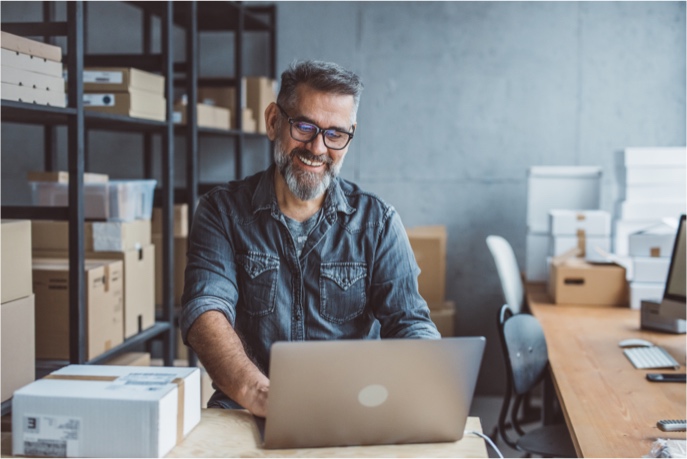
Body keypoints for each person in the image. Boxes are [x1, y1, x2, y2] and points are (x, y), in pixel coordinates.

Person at [180, 60, 440, 418]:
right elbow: (204, 309)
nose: (318, 148)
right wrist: (261, 394)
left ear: (350, 135)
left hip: (351, 411)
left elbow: (409, 322)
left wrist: (429, 381)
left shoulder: (377, 223)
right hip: (248, 409)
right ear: (274, 121)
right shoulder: (220, 212)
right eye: (304, 126)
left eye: (335, 134)